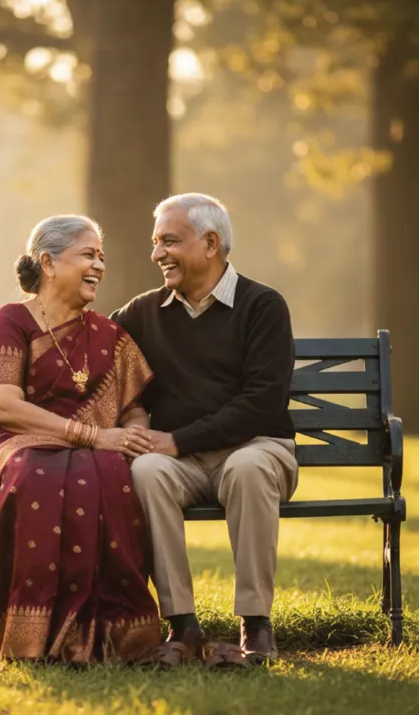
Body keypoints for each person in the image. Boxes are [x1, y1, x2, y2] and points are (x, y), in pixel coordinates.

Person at [0, 215, 162, 663]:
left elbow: (133, 409)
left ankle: (116, 635)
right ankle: (31, 634)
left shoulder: (110, 335)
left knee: (109, 470)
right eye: (88, 254)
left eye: (101, 257)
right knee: (37, 474)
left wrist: (135, 433)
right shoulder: (11, 320)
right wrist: (91, 435)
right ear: (47, 263)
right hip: (12, 443)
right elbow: (3, 405)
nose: (99, 266)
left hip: (89, 449)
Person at [111, 193, 298, 668]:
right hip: (183, 463)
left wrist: (177, 439)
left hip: (258, 447)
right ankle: (182, 625)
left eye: (169, 241)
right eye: (155, 243)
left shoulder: (263, 306)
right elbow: (93, 347)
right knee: (147, 470)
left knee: (249, 467)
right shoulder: (143, 312)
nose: (157, 254)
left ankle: (255, 623)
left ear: (211, 243)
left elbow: (262, 403)